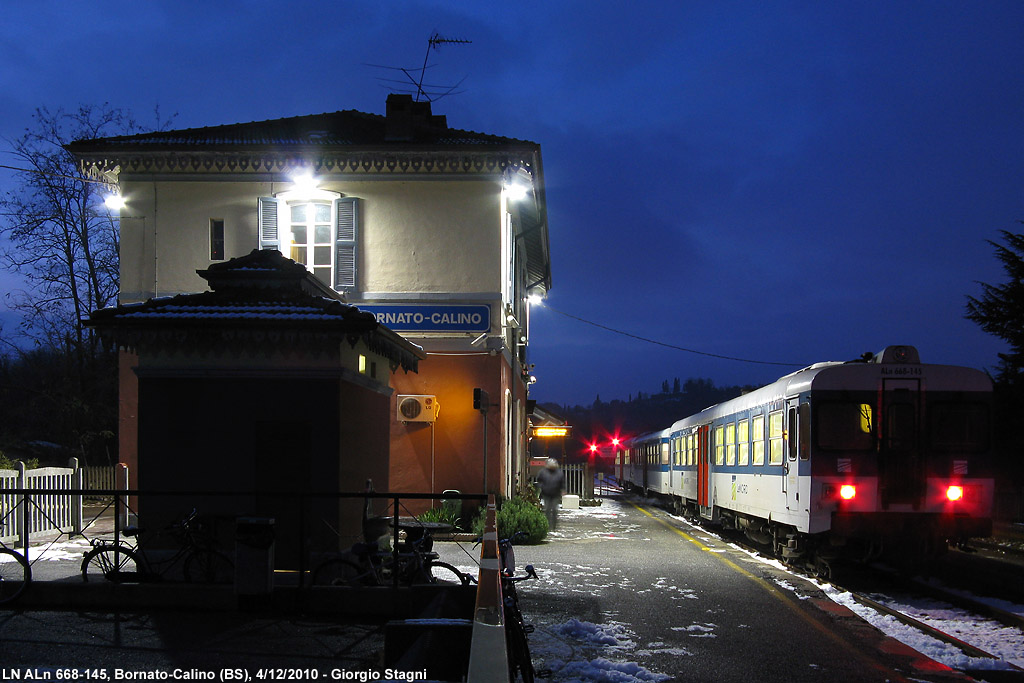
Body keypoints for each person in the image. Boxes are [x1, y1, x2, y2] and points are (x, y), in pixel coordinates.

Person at [536, 458, 564, 531]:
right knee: (547, 510)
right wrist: (542, 487)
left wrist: (562, 489)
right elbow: (539, 480)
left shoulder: (559, 473)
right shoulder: (543, 472)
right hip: (546, 493)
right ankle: (548, 525)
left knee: (554, 510)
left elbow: (562, 482)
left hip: (555, 494)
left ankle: (554, 526)